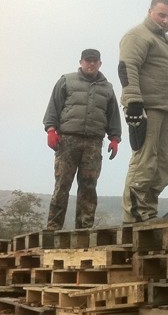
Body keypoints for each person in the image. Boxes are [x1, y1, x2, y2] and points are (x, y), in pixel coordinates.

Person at [118, 0, 168, 223]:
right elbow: (127, 68)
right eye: (161, 15)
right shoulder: (137, 35)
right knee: (145, 161)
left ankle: (147, 210)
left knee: (165, 165)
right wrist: (134, 102)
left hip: (166, 108)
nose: (165, 20)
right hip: (146, 108)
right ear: (150, 11)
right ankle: (134, 216)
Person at [43, 49, 122, 230]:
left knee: (88, 186)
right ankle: (53, 226)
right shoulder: (66, 81)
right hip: (68, 141)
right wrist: (51, 130)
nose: (91, 64)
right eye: (88, 61)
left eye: (95, 61)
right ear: (81, 62)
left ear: (100, 64)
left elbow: (113, 115)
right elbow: (53, 107)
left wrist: (115, 138)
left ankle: (84, 228)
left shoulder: (107, 88)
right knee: (62, 184)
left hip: (93, 144)